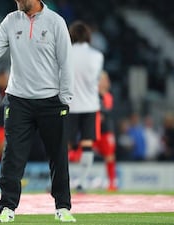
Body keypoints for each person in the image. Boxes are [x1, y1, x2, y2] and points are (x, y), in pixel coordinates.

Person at [0, 0, 75, 222]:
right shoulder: (10, 20)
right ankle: (7, 208)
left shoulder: (56, 22)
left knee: (58, 155)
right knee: (12, 155)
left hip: (51, 101)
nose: (16, 2)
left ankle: (63, 207)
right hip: (18, 100)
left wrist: (65, 99)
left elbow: (66, 62)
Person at [67, 21, 104, 192]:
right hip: (90, 105)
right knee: (87, 144)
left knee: (64, 145)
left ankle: (60, 181)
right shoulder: (97, 56)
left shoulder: (66, 53)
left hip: (70, 104)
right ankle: (82, 181)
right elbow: (95, 80)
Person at [92, 71, 118, 191]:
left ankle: (112, 183)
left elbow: (107, 110)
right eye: (102, 79)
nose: (104, 82)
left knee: (109, 156)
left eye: (105, 80)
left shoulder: (108, 95)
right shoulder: (93, 94)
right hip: (93, 130)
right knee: (80, 153)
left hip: (106, 131)